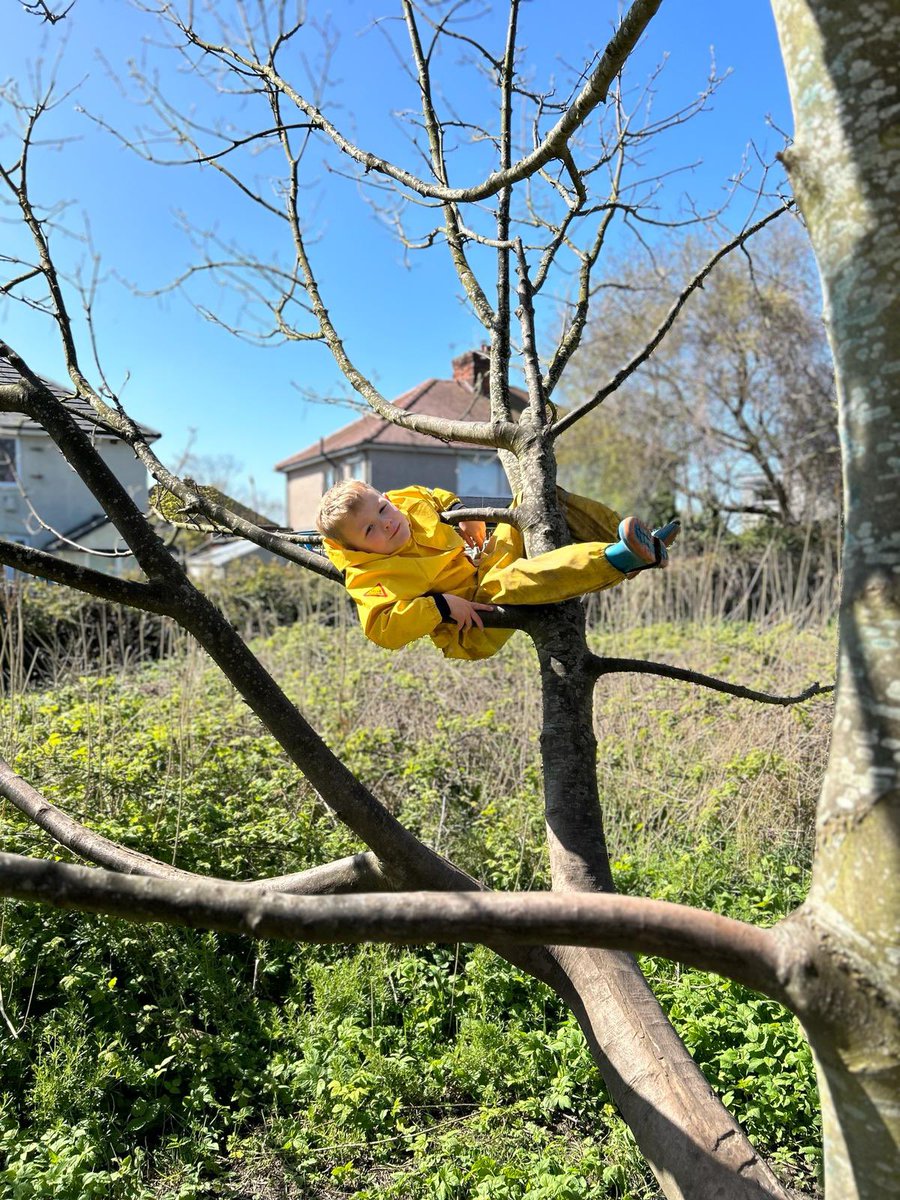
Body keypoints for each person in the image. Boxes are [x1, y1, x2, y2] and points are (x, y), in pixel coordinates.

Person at [316, 481, 679, 660]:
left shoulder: (403, 501)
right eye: (369, 531)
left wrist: (464, 512)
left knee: (533, 497)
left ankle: (637, 541)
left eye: (382, 509)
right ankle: (614, 559)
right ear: (355, 547)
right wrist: (441, 607)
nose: (386, 523)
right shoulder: (367, 575)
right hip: (475, 618)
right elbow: (383, 629)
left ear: (384, 498)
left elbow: (433, 496)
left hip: (484, 561)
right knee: (506, 581)